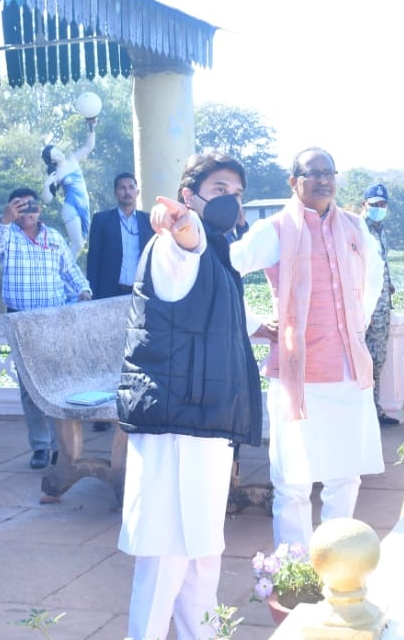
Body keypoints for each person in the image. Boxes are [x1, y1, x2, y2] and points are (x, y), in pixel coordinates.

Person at [116, 152, 263, 640]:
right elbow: (187, 247)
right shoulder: (174, 246)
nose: (231, 202)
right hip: (175, 429)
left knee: (202, 559)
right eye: (219, 190)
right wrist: (181, 225)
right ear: (188, 196)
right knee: (163, 565)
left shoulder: (222, 254)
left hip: (205, 424)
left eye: (237, 194)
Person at [230, 147, 385, 550]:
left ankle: (338, 559)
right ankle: (295, 568)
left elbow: (374, 271)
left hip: (350, 370)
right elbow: (226, 268)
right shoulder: (276, 230)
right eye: (312, 173)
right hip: (297, 374)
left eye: (328, 172)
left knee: (345, 474)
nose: (322, 179)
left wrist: (360, 318)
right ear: (294, 181)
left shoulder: (355, 227)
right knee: (294, 481)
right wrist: (253, 324)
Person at [0, 187, 92, 469]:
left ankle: (61, 448)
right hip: (20, 321)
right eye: (18, 206)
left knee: (58, 384)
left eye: (30, 205)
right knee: (29, 388)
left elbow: (71, 271)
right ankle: (40, 447)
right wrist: (5, 219)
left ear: (39, 210)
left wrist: (83, 290)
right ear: (11, 210)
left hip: (53, 319)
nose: (26, 210)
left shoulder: (54, 237)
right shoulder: (6, 235)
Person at [362, 182, 399, 426]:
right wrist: (364, 308)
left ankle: (374, 411)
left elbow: (381, 265)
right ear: (364, 205)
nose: (379, 208)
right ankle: (364, 414)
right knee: (365, 361)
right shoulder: (359, 229)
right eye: (375, 205)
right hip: (368, 309)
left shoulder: (379, 229)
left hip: (383, 306)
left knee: (377, 359)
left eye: (383, 205)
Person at [86, 171, 155, 299]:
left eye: (131, 187)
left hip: (141, 292)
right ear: (115, 193)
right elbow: (93, 260)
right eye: (122, 188)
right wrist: (92, 291)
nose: (127, 192)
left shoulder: (149, 221)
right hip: (109, 292)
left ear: (137, 192)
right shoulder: (101, 220)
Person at [40, 117, 96, 258]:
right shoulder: (56, 174)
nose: (59, 153)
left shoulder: (73, 160)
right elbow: (47, 199)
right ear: (52, 160)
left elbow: (88, 147)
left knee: (81, 243)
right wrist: (47, 185)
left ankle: (65, 271)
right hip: (71, 206)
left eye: (58, 150)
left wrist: (91, 127)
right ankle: (64, 271)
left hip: (83, 204)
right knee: (77, 244)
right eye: (55, 155)